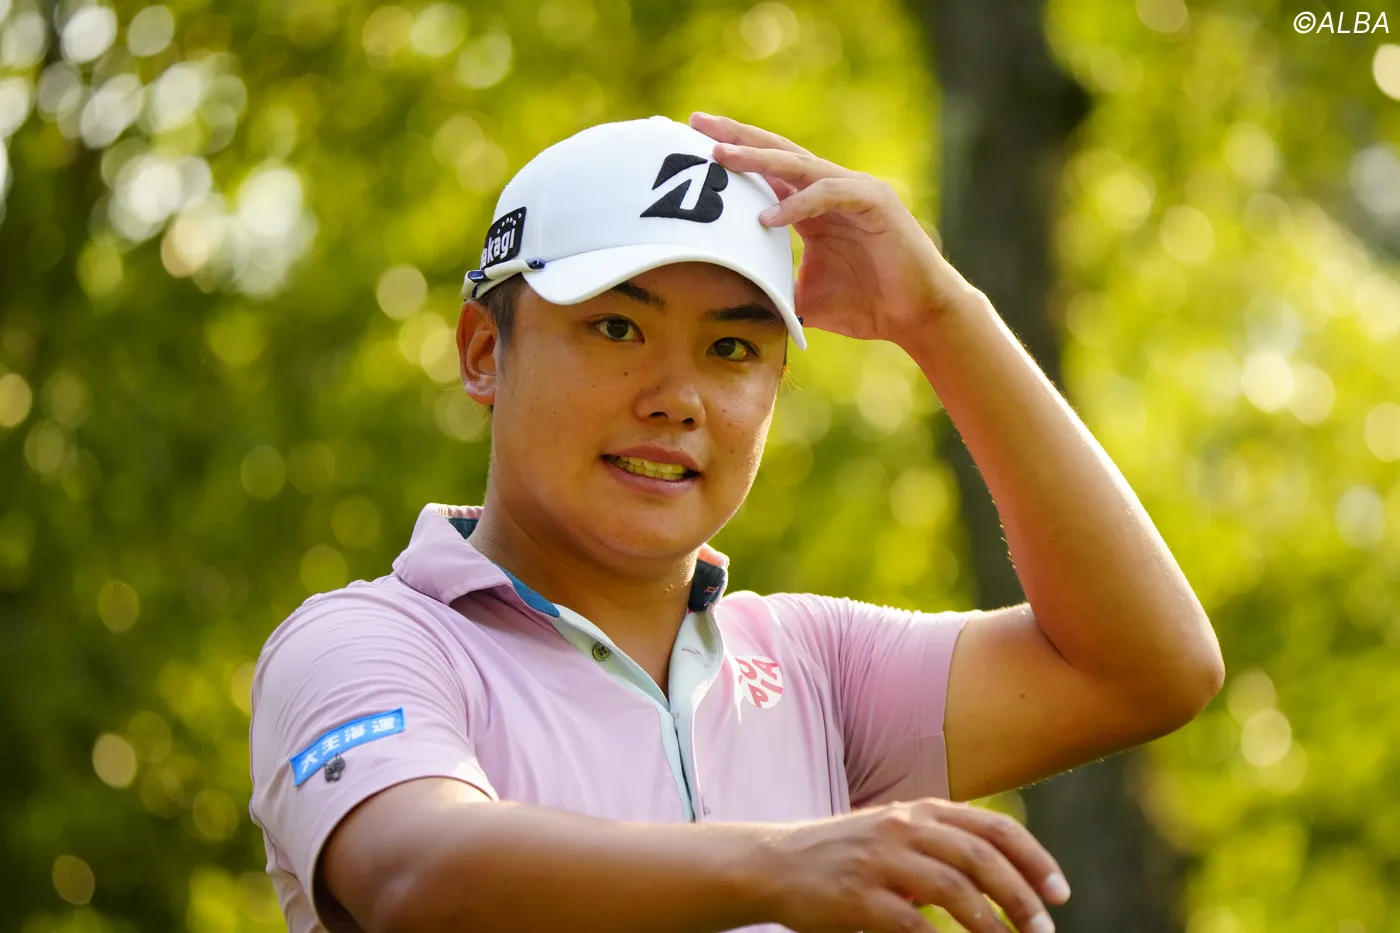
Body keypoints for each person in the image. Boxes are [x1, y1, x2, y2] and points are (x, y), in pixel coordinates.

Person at [247, 113, 1225, 933]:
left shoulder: (815, 666)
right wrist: (781, 865)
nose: (676, 399)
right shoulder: (368, 642)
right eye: (617, 327)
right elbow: (416, 871)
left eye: (730, 350)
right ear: (481, 353)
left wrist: (939, 314)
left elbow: (1147, 667)